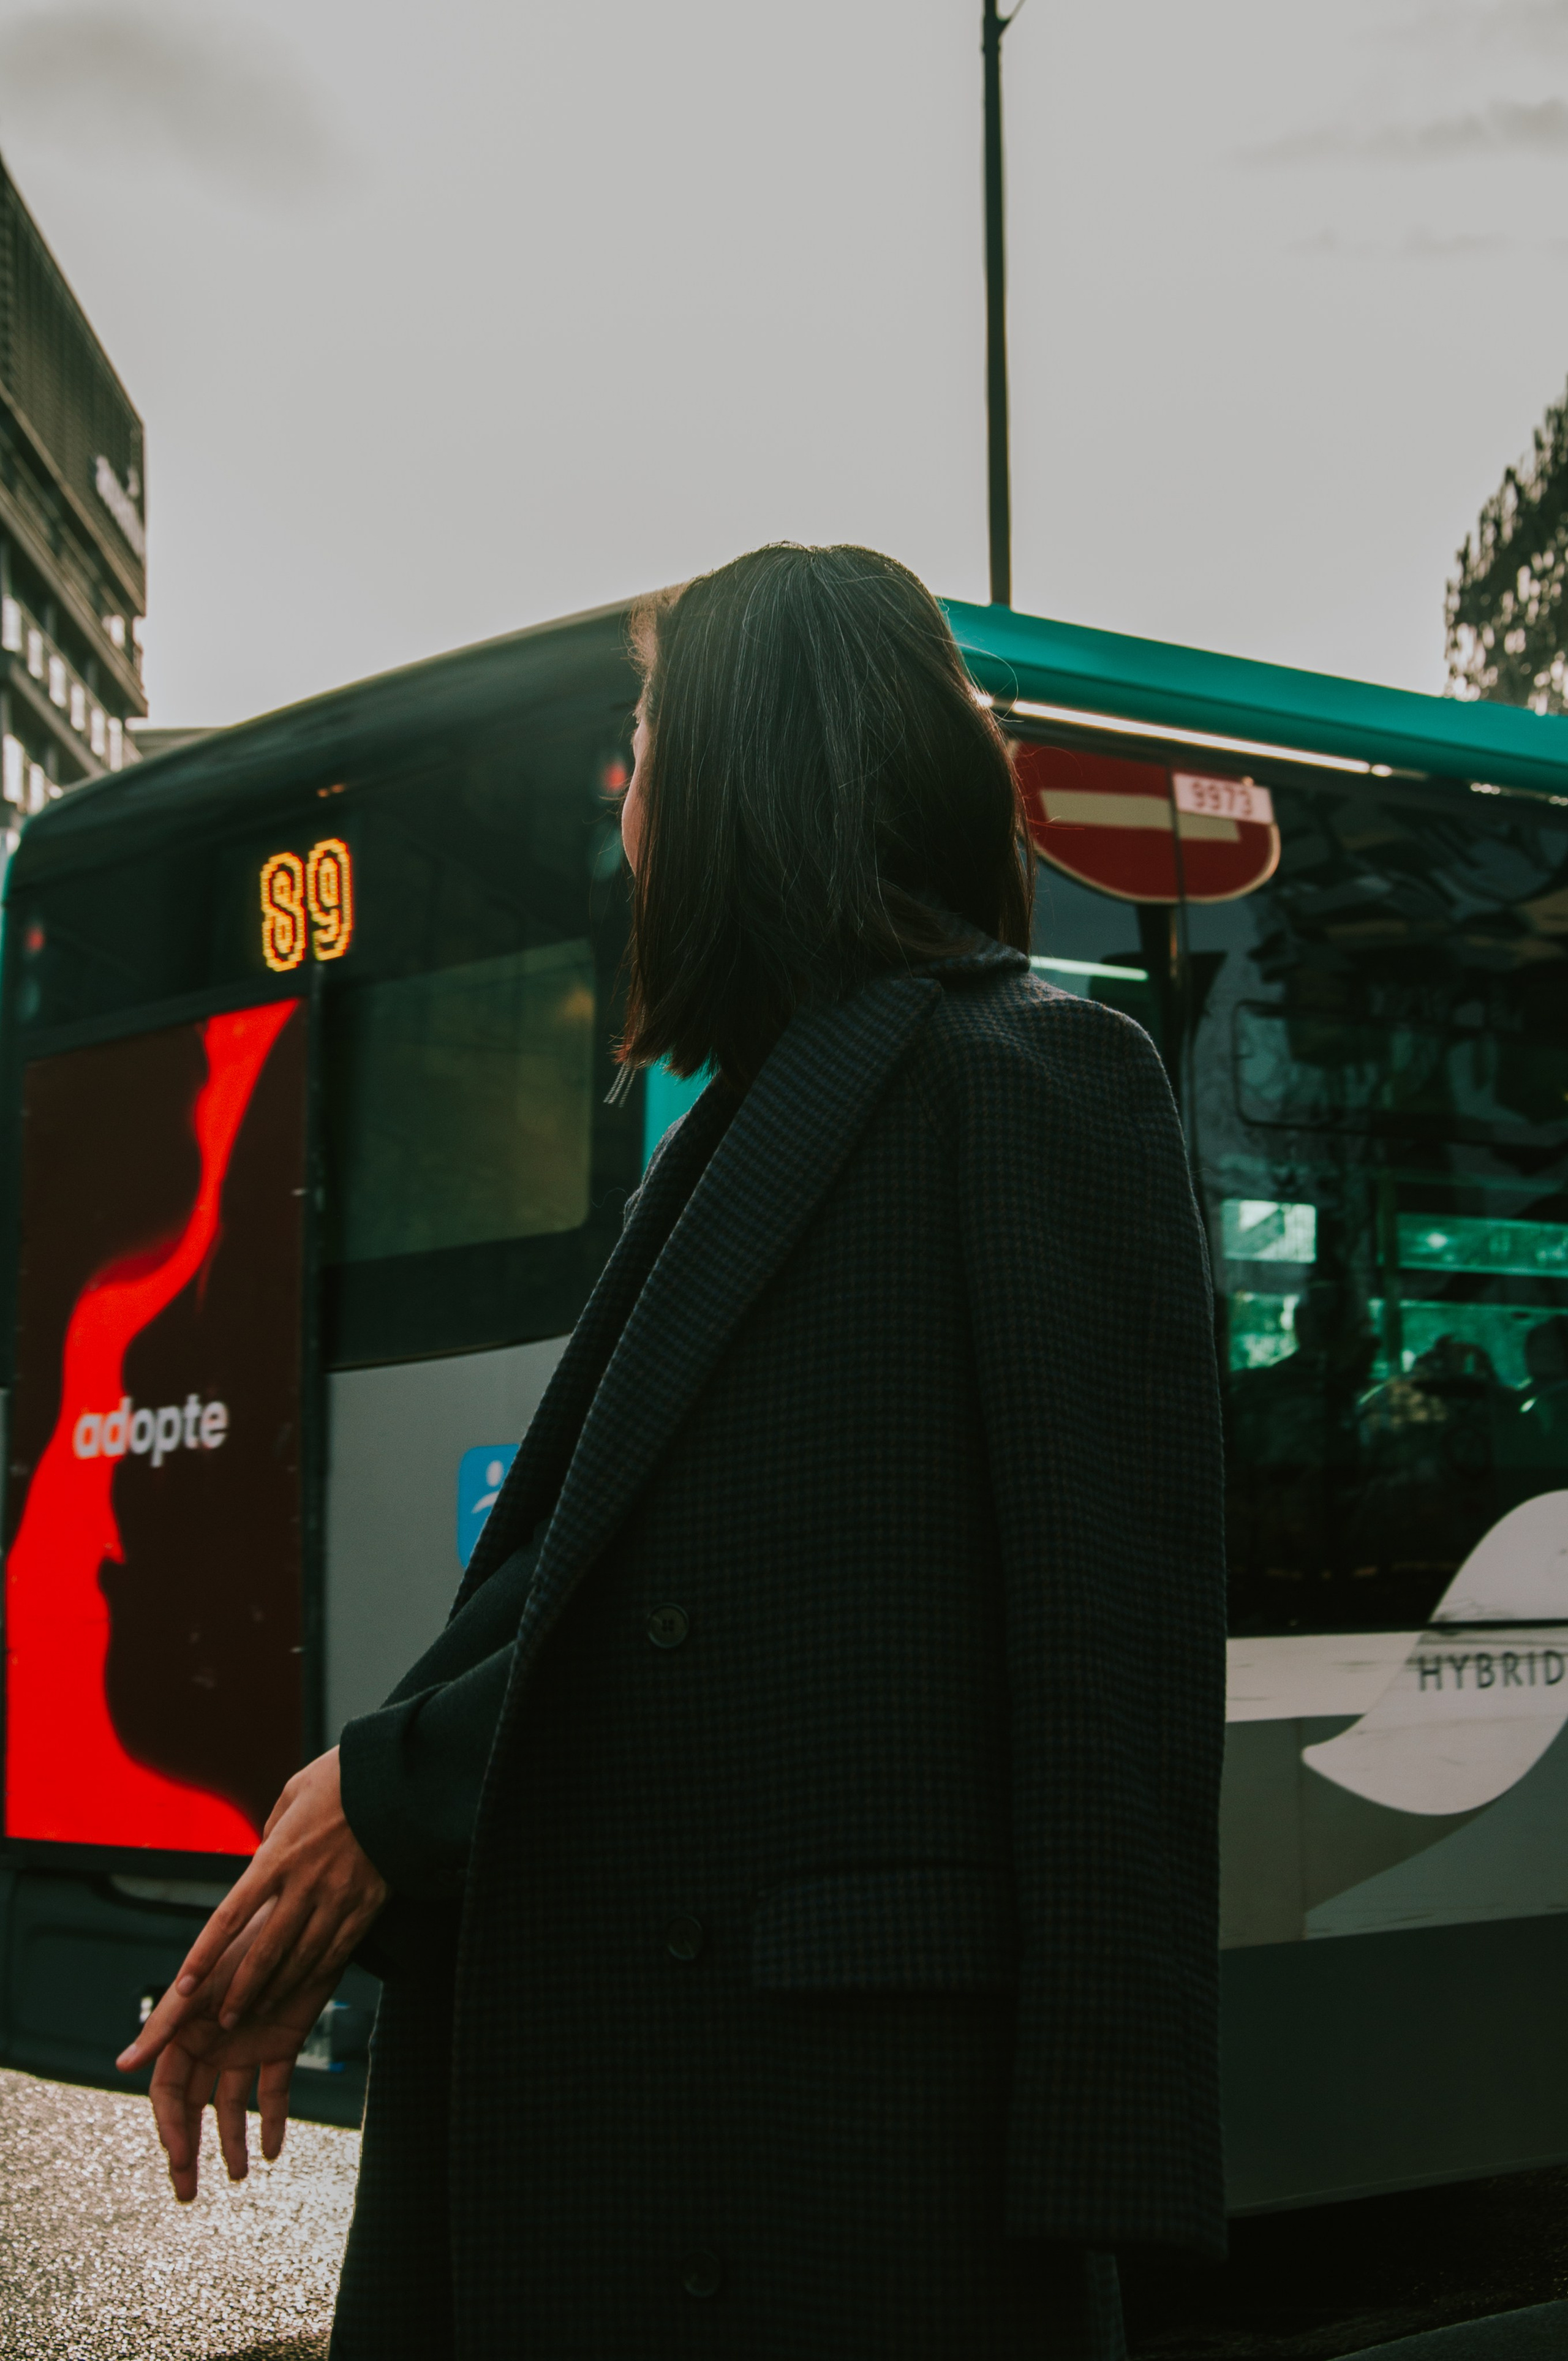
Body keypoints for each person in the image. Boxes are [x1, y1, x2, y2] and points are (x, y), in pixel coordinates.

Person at [120, 544, 1227, 2360]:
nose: (624, 799)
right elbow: (655, 1583)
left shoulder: (1039, 1078)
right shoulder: (746, 1118)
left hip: (853, 2160)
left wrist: (1106, 2160)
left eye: (648, 745)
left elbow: (1111, 1668)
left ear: (751, 772)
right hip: (692, 2110)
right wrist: (368, 1821)